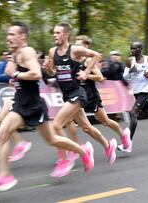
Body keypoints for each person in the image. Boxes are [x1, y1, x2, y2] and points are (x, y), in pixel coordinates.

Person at [0, 21, 94, 192]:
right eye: (8, 35)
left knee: (52, 140)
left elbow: (35, 74)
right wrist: (14, 78)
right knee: (2, 133)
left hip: (33, 104)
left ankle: (83, 151)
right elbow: (22, 76)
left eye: (12, 35)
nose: (8, 38)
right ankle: (4, 176)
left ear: (22, 36)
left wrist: (16, 74)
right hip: (20, 102)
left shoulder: (27, 51)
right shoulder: (16, 55)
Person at [44, 22, 117, 178]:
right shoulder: (52, 52)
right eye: (54, 33)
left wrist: (86, 72)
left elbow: (97, 55)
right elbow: (53, 74)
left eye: (58, 33)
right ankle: (108, 145)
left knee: (56, 124)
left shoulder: (75, 50)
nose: (54, 35)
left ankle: (67, 158)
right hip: (67, 95)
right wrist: (48, 69)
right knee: (86, 128)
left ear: (66, 35)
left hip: (77, 93)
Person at [64, 35, 132, 155]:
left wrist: (86, 74)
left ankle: (124, 135)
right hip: (78, 96)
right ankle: (75, 148)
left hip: (91, 96)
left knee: (105, 121)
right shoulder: (73, 60)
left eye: (80, 45)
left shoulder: (88, 60)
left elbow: (100, 78)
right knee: (69, 121)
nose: (76, 47)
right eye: (76, 44)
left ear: (86, 46)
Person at [122, 41, 148, 150]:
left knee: (133, 113)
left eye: (134, 48)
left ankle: (128, 144)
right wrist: (130, 71)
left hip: (145, 91)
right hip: (136, 91)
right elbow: (124, 76)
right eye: (131, 48)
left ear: (141, 49)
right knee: (147, 114)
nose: (132, 50)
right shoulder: (130, 61)